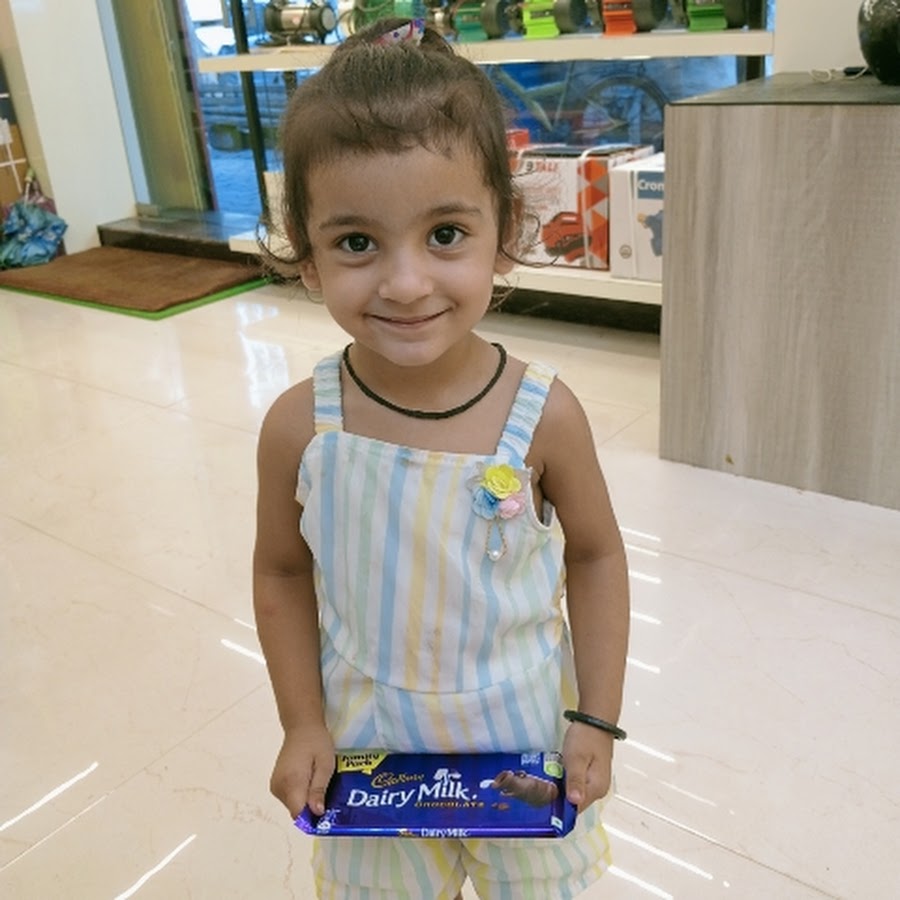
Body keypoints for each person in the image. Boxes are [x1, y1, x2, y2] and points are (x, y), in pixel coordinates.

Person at [252, 17, 630, 899]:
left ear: (507, 227)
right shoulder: (301, 427)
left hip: (525, 741)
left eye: (446, 233)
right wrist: (301, 723)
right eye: (356, 242)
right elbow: (280, 572)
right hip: (366, 746)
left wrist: (597, 718)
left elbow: (597, 556)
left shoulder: (545, 416)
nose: (406, 282)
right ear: (306, 252)